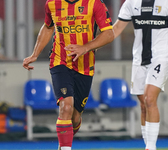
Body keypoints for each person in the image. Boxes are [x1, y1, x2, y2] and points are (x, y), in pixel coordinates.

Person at [23, 0, 114, 149]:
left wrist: (85, 47)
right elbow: (48, 27)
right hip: (60, 60)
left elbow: (109, 33)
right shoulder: (52, 3)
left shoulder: (94, 3)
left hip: (84, 65)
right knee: (66, 107)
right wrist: (35, 54)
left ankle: (63, 144)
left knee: (75, 118)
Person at [112, 0, 168, 150]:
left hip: (161, 58)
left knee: (150, 98)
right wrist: (92, 44)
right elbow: (117, 28)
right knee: (144, 104)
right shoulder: (131, 3)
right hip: (139, 60)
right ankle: (148, 145)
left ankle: (151, 147)